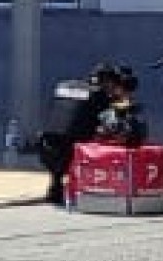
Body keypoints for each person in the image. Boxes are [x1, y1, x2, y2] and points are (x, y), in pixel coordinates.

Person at [38, 64, 146, 205]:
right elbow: (114, 127)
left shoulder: (65, 86)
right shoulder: (99, 96)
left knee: (71, 136)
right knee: (109, 140)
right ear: (108, 82)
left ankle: (56, 187)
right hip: (73, 153)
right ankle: (111, 188)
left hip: (46, 147)